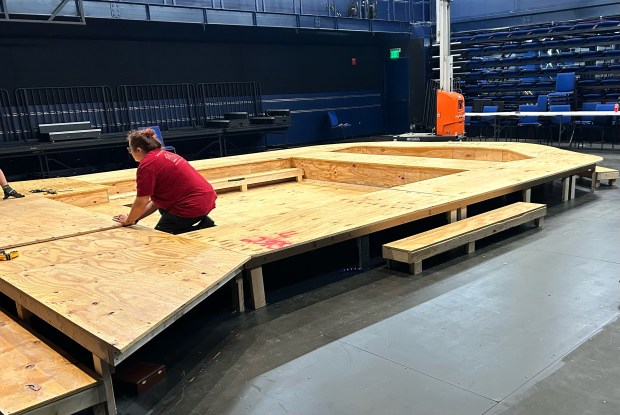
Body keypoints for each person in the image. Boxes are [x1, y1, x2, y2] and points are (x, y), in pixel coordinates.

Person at [113, 128, 217, 235]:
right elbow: (156, 203)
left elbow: (142, 200)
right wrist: (134, 219)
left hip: (192, 205)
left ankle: (201, 226)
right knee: (163, 206)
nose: (130, 153)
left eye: (130, 149)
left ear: (138, 150)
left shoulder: (147, 165)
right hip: (206, 199)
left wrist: (128, 220)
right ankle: (199, 221)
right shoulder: (164, 155)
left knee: (161, 238)